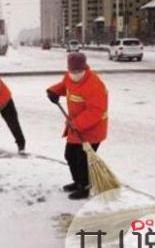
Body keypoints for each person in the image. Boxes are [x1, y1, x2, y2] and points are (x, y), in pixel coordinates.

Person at [46, 52, 108, 200]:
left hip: (93, 130)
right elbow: (65, 86)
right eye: (72, 71)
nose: (75, 74)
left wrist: (76, 123)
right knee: (70, 156)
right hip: (76, 127)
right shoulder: (69, 77)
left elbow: (96, 111)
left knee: (82, 160)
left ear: (84, 68)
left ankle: (85, 187)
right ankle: (77, 182)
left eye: (78, 71)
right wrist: (53, 91)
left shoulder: (94, 84)